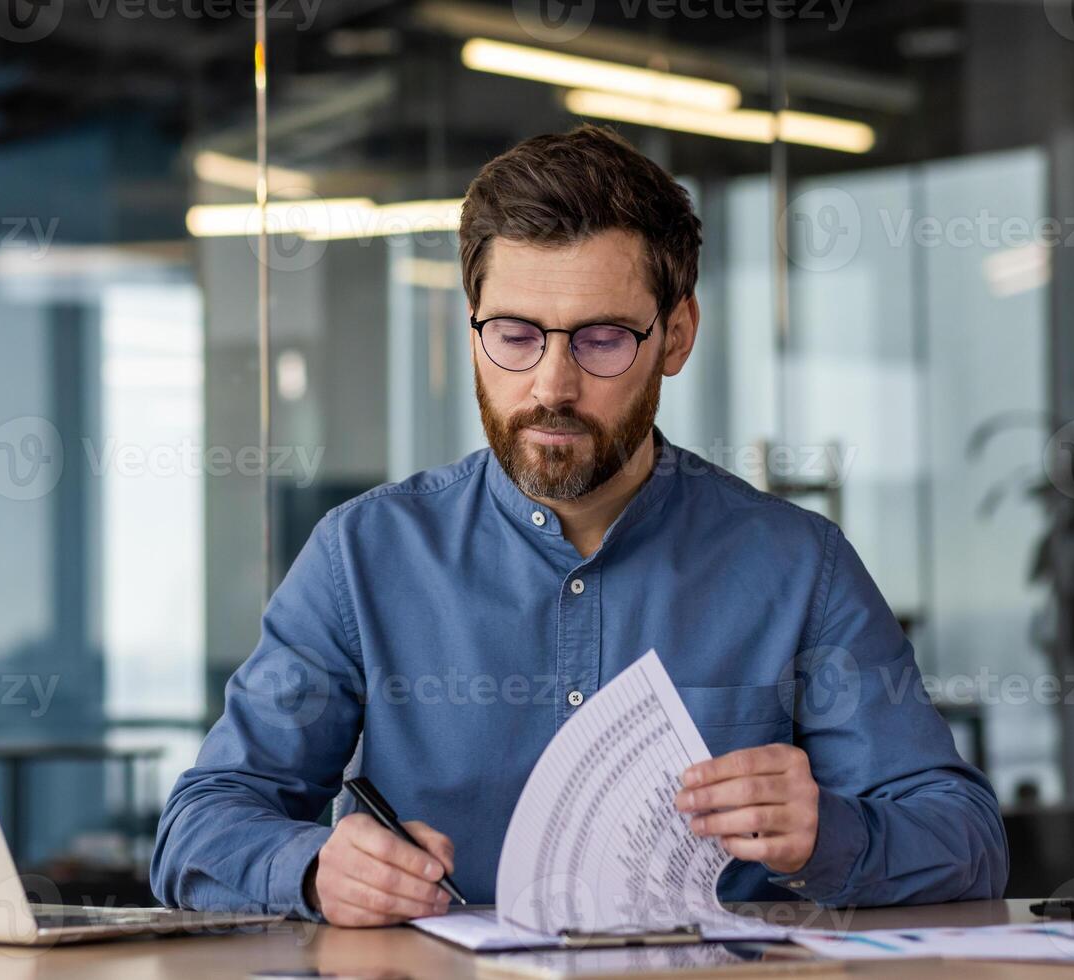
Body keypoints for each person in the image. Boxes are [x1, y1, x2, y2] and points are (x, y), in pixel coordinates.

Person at [151, 124, 1008, 927]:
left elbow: (966, 840)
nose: (551, 385)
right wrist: (310, 868)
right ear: (472, 327)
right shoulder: (362, 557)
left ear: (676, 335)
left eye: (600, 340)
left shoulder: (797, 565)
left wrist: (829, 834)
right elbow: (200, 825)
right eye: (515, 336)